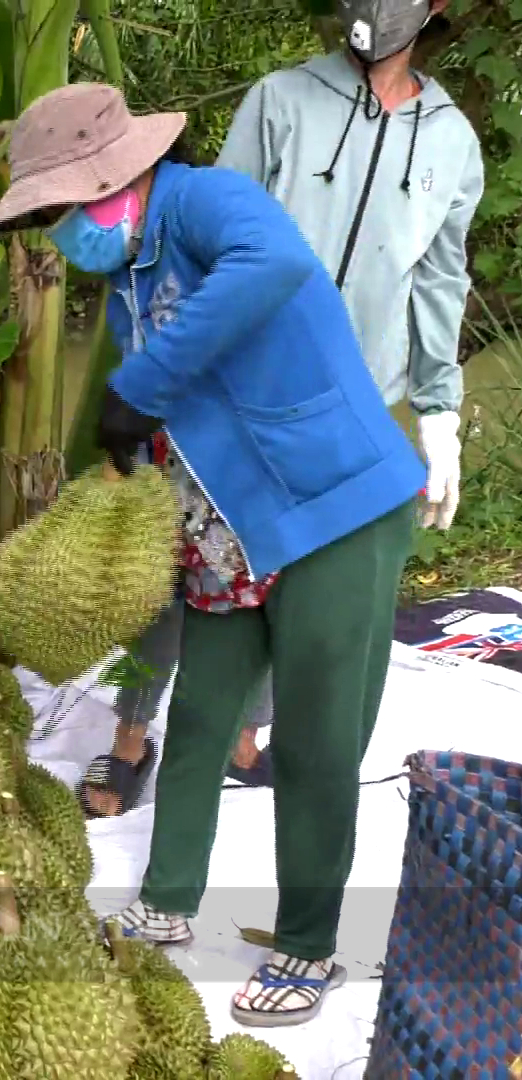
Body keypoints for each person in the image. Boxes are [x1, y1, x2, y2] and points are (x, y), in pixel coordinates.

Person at [0, 81, 426, 1027]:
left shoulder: (209, 202)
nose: (64, 233)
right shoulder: (127, 284)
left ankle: (310, 945)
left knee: (315, 741)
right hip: (227, 538)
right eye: (51, 218)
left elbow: (268, 267)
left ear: (118, 176)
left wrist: (141, 381)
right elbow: (166, 414)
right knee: (195, 724)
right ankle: (171, 900)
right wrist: (129, 457)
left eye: (64, 209)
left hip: (333, 509)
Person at [206, 0, 483, 773]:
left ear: (435, 8)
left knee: (314, 578)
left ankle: (257, 732)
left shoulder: (452, 140)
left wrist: (438, 413)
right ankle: (131, 733)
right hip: (249, 381)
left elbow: (439, 282)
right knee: (196, 570)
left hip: (355, 401)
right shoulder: (281, 100)